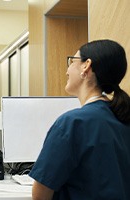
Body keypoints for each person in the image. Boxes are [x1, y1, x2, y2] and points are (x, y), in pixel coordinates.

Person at [29, 39, 130, 200]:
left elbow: (40, 194)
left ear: (86, 66)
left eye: (72, 61)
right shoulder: (123, 117)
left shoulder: (72, 123)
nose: (67, 70)